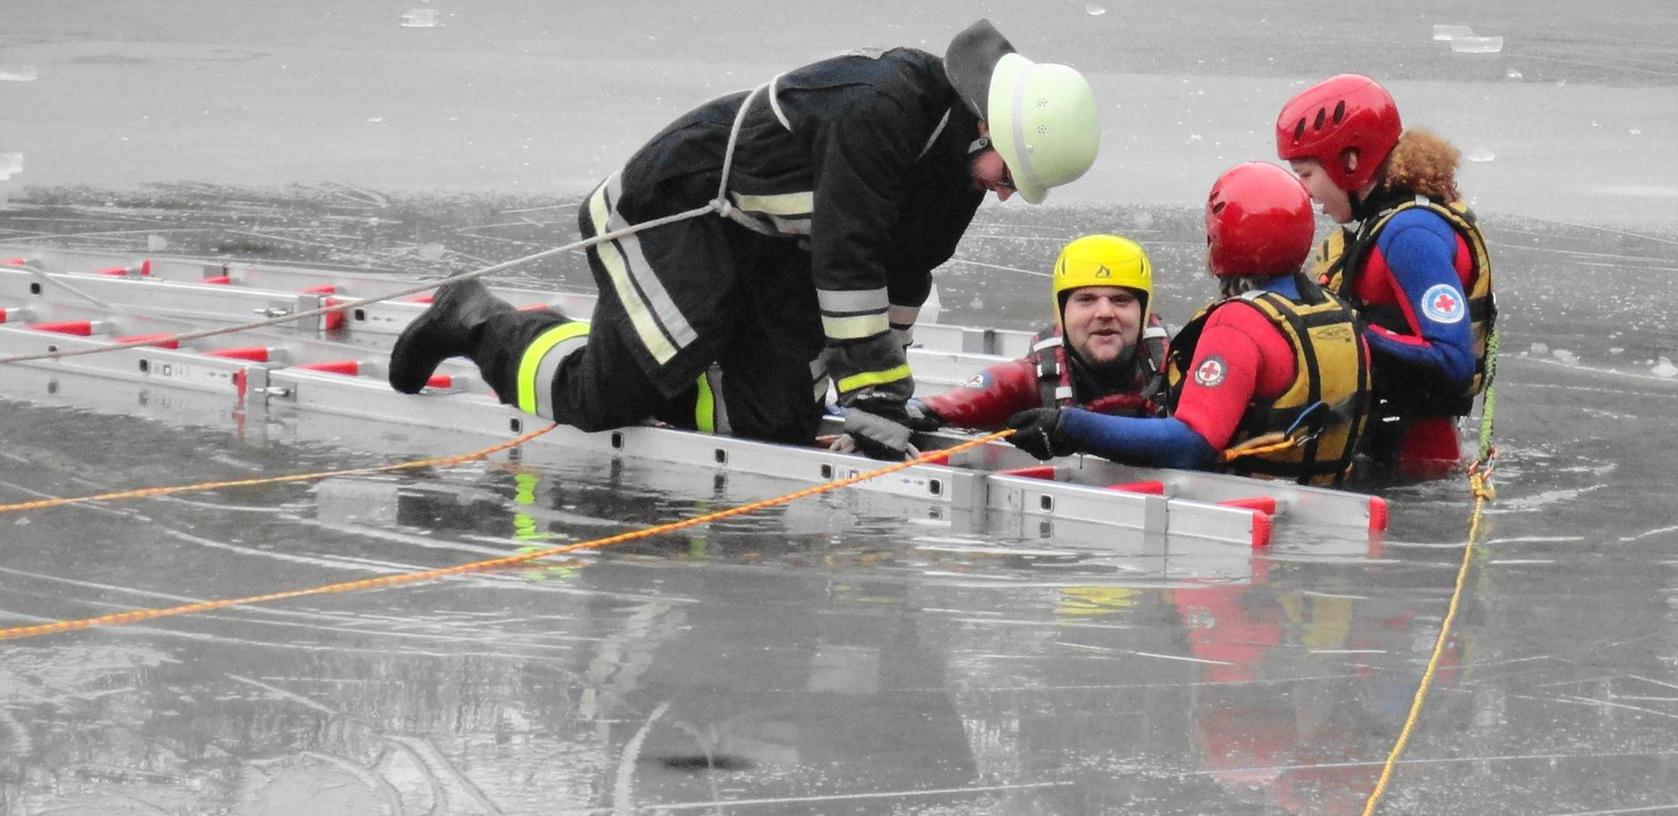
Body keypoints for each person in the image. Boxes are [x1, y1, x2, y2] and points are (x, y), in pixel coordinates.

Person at [387, 20, 1100, 460]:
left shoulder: (958, 173)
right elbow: (847, 260)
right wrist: (874, 396)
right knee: (613, 393)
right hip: (676, 210)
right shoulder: (885, 107)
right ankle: (479, 322)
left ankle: (676, 361)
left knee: (773, 423)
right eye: (1011, 173)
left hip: (769, 247)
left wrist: (887, 391)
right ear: (988, 126)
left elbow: (903, 275)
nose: (1007, 192)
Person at [1005, 162, 1371, 487]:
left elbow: (1191, 444)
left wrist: (1070, 427)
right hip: (1330, 497)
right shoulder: (1335, 310)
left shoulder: (1239, 323)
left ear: (1220, 239)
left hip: (1248, 510)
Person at [1275, 73, 1496, 480]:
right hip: (1382, 455)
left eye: (1306, 173)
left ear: (1351, 161)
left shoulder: (1411, 234)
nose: (1303, 190)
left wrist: (1337, 331)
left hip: (1413, 470)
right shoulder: (1380, 225)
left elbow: (1452, 361)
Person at [911, 234, 1169, 430]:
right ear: (1061, 313)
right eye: (1086, 300)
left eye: (1120, 300)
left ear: (1144, 312)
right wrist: (907, 410)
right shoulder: (1028, 379)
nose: (1104, 312)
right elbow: (942, 407)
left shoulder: (1183, 374)